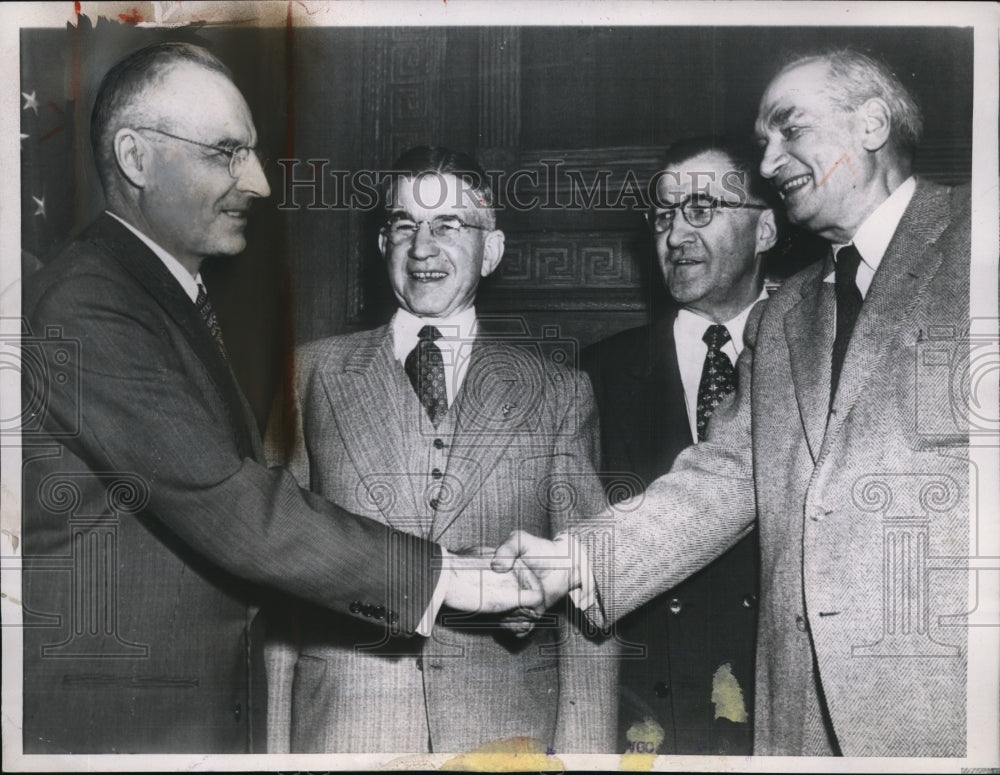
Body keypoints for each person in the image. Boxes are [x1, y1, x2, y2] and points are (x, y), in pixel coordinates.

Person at [20, 44, 533, 755]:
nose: (258, 181)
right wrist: (448, 574)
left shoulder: (159, 296)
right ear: (136, 159)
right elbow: (236, 507)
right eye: (227, 152)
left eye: (252, 152)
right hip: (124, 729)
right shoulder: (89, 304)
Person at [494, 47, 971, 757]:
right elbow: (723, 475)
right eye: (764, 142)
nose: (772, 162)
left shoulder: (978, 241)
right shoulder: (786, 318)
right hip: (801, 721)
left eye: (790, 130)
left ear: (872, 124)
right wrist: (574, 562)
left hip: (951, 712)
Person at [264, 146, 616, 754]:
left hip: (505, 737)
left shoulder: (558, 393)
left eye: (448, 225)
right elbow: (273, 570)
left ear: (493, 249)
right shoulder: (309, 375)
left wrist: (584, 756)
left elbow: (590, 592)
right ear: (383, 246)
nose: (423, 248)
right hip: (344, 732)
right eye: (405, 225)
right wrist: (271, 751)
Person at [582, 137, 778, 755]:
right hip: (648, 719)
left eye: (702, 210)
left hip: (781, 712)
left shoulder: (824, 356)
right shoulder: (596, 374)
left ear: (766, 228)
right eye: (665, 216)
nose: (675, 235)